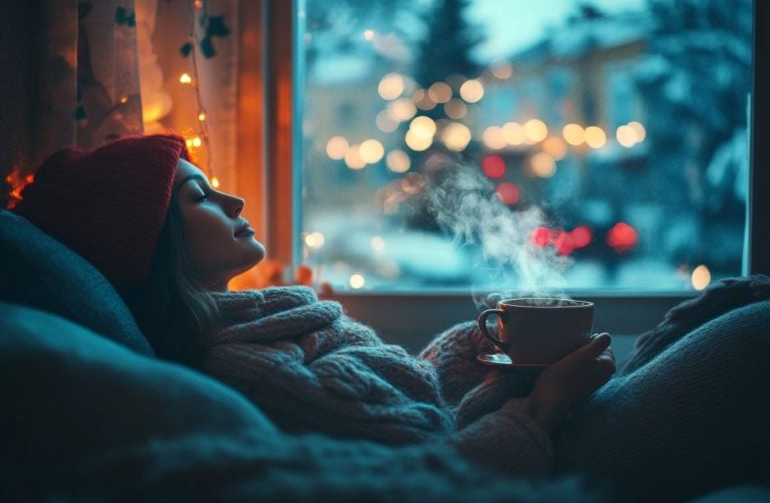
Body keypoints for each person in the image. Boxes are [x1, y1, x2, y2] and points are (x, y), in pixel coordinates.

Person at [11, 134, 770, 502]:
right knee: (754, 336)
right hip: (553, 459)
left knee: (732, 300)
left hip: (542, 431)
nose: (234, 202)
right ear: (152, 244)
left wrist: (477, 347)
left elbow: (410, 398)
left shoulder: (268, 319)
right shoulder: (244, 366)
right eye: (200, 197)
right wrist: (541, 407)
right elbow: (421, 471)